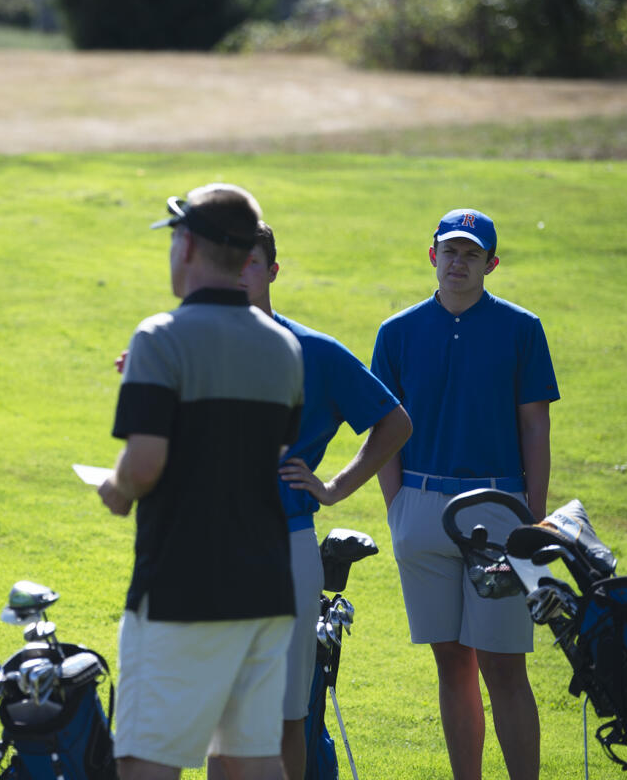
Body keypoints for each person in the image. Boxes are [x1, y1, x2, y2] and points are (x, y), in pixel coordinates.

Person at [98, 184, 304, 780]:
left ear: (186, 245)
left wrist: (116, 490)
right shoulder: (285, 347)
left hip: (184, 586)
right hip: (265, 584)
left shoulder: (159, 338)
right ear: (245, 257)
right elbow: (271, 447)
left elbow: (143, 465)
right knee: (252, 761)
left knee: (146, 762)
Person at [215, 222, 411, 780]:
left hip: (286, 545)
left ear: (273, 271)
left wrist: (334, 488)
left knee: (286, 717)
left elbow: (394, 423)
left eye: (250, 262)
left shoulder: (316, 352)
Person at [370, 209, 558, 780]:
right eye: (450, 251)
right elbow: (385, 430)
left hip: (500, 509)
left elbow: (534, 427)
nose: (459, 262)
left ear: (490, 264)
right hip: (421, 506)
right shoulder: (396, 332)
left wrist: (535, 518)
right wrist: (398, 508)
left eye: (472, 254)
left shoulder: (522, 328)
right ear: (432, 256)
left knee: (504, 666)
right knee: (451, 664)